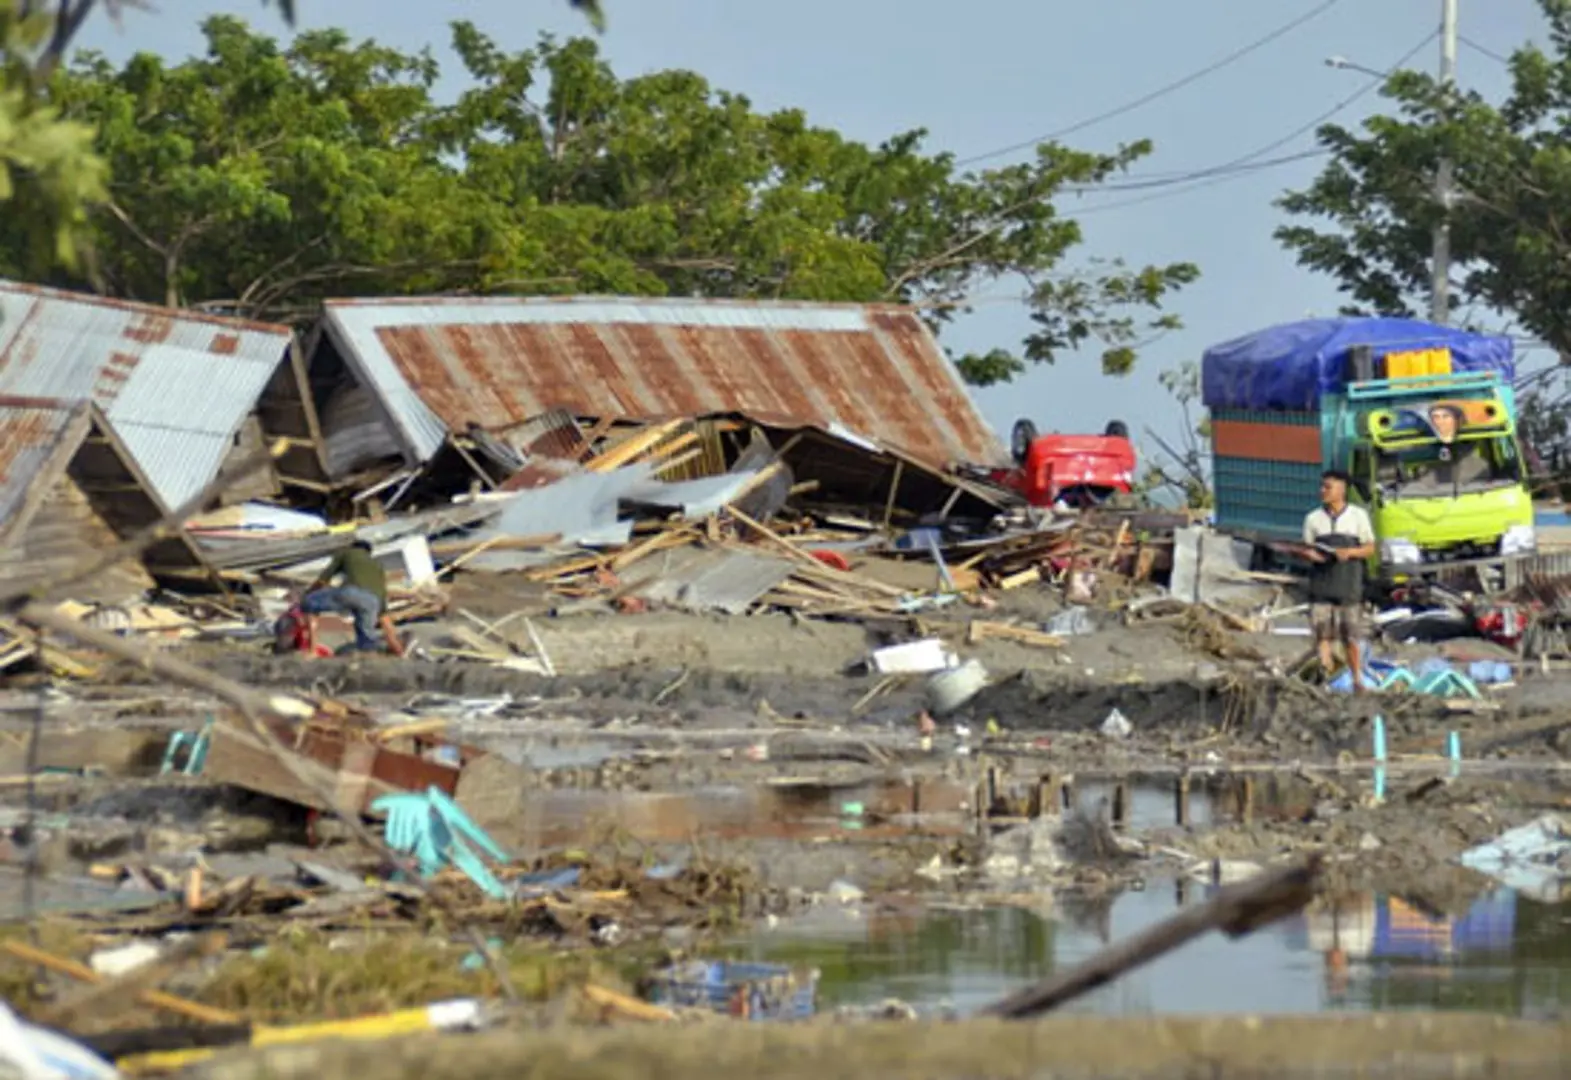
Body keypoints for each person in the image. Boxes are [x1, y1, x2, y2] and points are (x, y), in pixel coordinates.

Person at [1302, 470, 1376, 691]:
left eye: (1328, 487)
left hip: (1349, 586)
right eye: (1322, 486)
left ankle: (1357, 679)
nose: (1322, 491)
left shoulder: (1358, 516)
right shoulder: (1313, 519)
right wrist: (1311, 555)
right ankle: (1326, 676)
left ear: (1342, 490)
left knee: (1350, 637)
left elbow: (1370, 548)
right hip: (1321, 586)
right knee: (1322, 634)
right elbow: (1306, 547)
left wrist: (1350, 553)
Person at [301, 540, 405, 657]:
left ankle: (312, 650)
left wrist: (309, 593)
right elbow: (384, 616)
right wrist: (397, 647)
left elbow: (323, 579)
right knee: (366, 640)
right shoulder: (377, 565)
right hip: (373, 602)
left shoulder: (347, 553)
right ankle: (396, 653)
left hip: (352, 593)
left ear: (353, 547)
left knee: (310, 602)